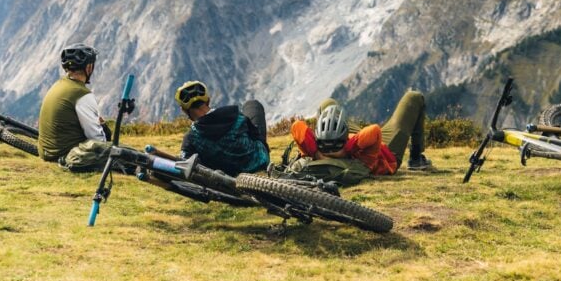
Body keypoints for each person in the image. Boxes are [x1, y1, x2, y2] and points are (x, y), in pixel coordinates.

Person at [288, 89, 433, 181]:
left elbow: (296, 127)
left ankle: (331, 129)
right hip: (385, 150)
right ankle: (416, 158)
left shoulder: (316, 151)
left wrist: (317, 153)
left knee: (328, 103)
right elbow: (374, 131)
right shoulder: (363, 160)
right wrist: (348, 147)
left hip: (351, 139)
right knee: (414, 97)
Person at [38, 43, 114, 171]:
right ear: (89, 67)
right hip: (69, 155)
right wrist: (105, 129)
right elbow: (97, 140)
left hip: (46, 152)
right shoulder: (82, 94)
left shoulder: (58, 85)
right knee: (122, 152)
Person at [174, 81, 270, 176]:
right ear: (208, 99)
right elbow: (255, 134)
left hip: (227, 177)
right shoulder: (236, 115)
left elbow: (187, 164)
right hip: (260, 163)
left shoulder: (190, 139)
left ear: (184, 110)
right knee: (252, 104)